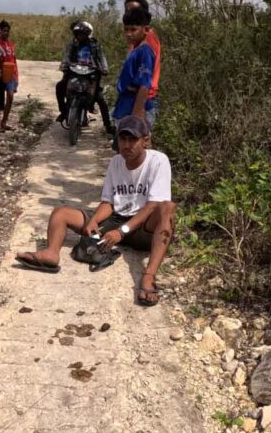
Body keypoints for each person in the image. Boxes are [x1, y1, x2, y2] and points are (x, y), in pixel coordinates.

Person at [14, 115, 175, 306]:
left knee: (167, 208)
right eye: (123, 139)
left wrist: (121, 232)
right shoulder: (116, 162)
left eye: (133, 139)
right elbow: (108, 202)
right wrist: (94, 221)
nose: (127, 145)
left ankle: (148, 276)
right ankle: (51, 253)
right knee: (61, 213)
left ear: (145, 140)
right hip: (117, 218)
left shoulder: (158, 161)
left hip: (142, 227)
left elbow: (152, 206)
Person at [111, 7, 157, 151]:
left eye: (133, 29)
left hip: (134, 108)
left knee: (137, 153)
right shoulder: (134, 50)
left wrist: (137, 118)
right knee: (124, 152)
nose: (129, 34)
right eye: (126, 30)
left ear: (145, 29)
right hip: (124, 106)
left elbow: (143, 86)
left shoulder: (145, 52)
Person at [55, 20, 111, 132]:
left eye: (82, 34)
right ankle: (63, 111)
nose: (80, 36)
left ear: (87, 34)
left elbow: (101, 58)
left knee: (100, 98)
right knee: (60, 87)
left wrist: (104, 68)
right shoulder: (72, 45)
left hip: (91, 73)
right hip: (74, 72)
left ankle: (108, 125)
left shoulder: (95, 45)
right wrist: (64, 65)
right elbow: (66, 56)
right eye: (78, 34)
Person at [124, 0, 161, 102]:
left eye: (134, 10)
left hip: (143, 99)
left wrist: (138, 109)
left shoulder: (148, 37)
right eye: (127, 10)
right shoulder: (135, 38)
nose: (129, 13)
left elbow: (145, 76)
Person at [0, 20, 18, 130]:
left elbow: (14, 61)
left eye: (7, 31)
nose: (6, 33)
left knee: (10, 96)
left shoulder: (11, 44)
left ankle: (4, 120)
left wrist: (16, 76)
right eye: (4, 31)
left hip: (10, 75)